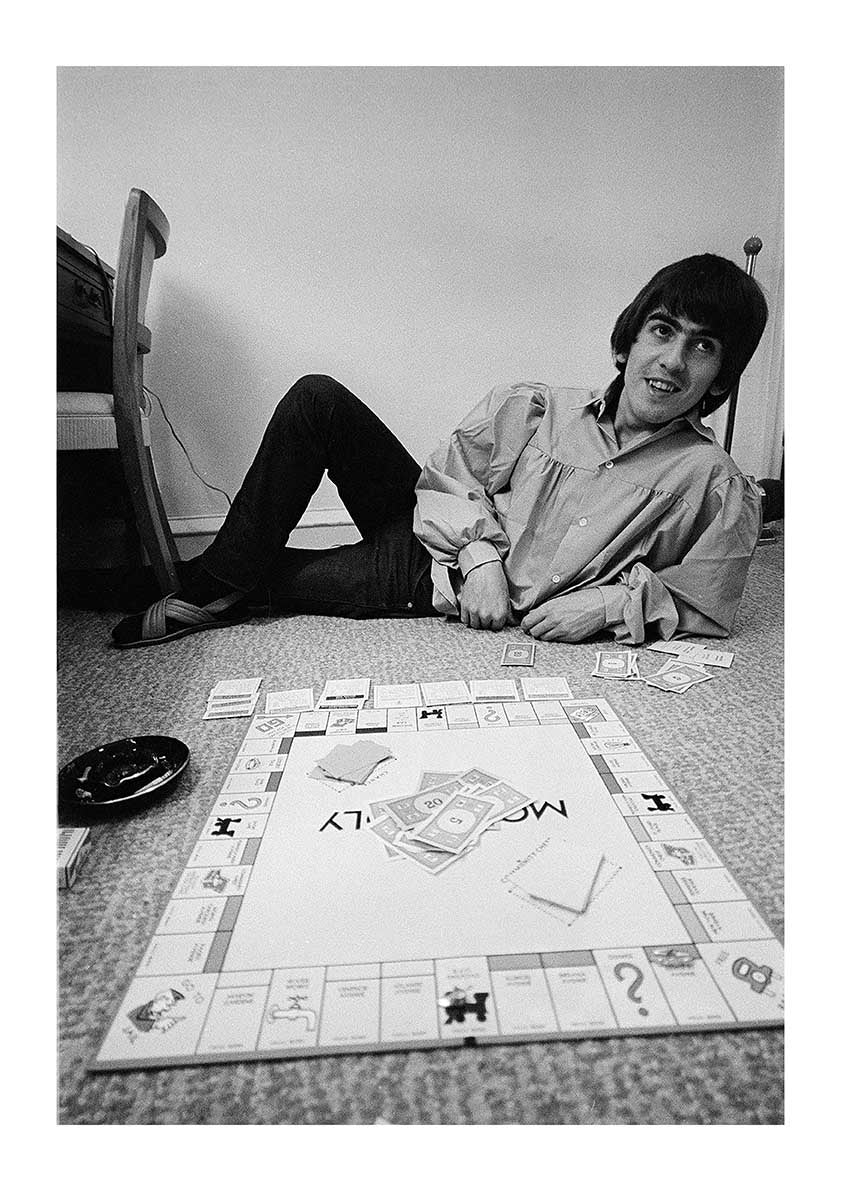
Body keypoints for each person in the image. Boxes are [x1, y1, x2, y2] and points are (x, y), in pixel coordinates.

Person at [112, 252, 768, 650]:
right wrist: (481, 551)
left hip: (421, 582)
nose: (673, 360)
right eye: (662, 330)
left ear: (721, 374)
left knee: (265, 577)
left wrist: (608, 603)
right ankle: (209, 586)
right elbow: (446, 476)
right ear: (630, 339)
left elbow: (707, 602)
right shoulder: (538, 406)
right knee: (317, 398)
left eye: (703, 346)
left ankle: (200, 586)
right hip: (437, 533)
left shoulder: (714, 483)